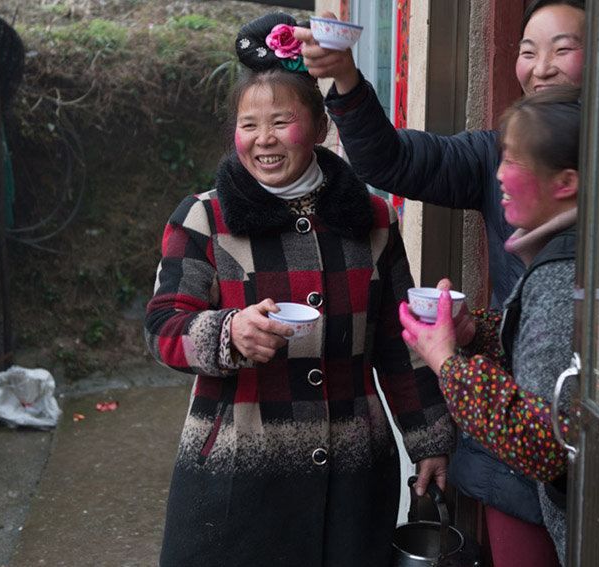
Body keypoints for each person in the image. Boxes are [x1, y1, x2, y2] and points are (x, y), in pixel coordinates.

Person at [144, 12, 455, 567]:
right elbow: (165, 328)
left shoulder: (373, 219)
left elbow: (398, 342)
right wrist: (228, 332)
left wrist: (428, 438)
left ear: (318, 128)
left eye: (281, 121)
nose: (263, 139)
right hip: (237, 475)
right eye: (248, 125)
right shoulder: (204, 219)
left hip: (353, 470)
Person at [295, 3, 585, 566]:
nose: (540, 67)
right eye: (527, 51)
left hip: (574, 462)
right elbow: (390, 159)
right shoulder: (496, 152)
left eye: (562, 49)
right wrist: (346, 78)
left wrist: (450, 361)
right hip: (510, 459)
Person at [398, 85, 583, 566]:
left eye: (513, 162)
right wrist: (473, 332)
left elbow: (544, 443)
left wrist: (446, 362)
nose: (497, 175)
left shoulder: (563, 276)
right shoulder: (572, 253)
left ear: (566, 182)